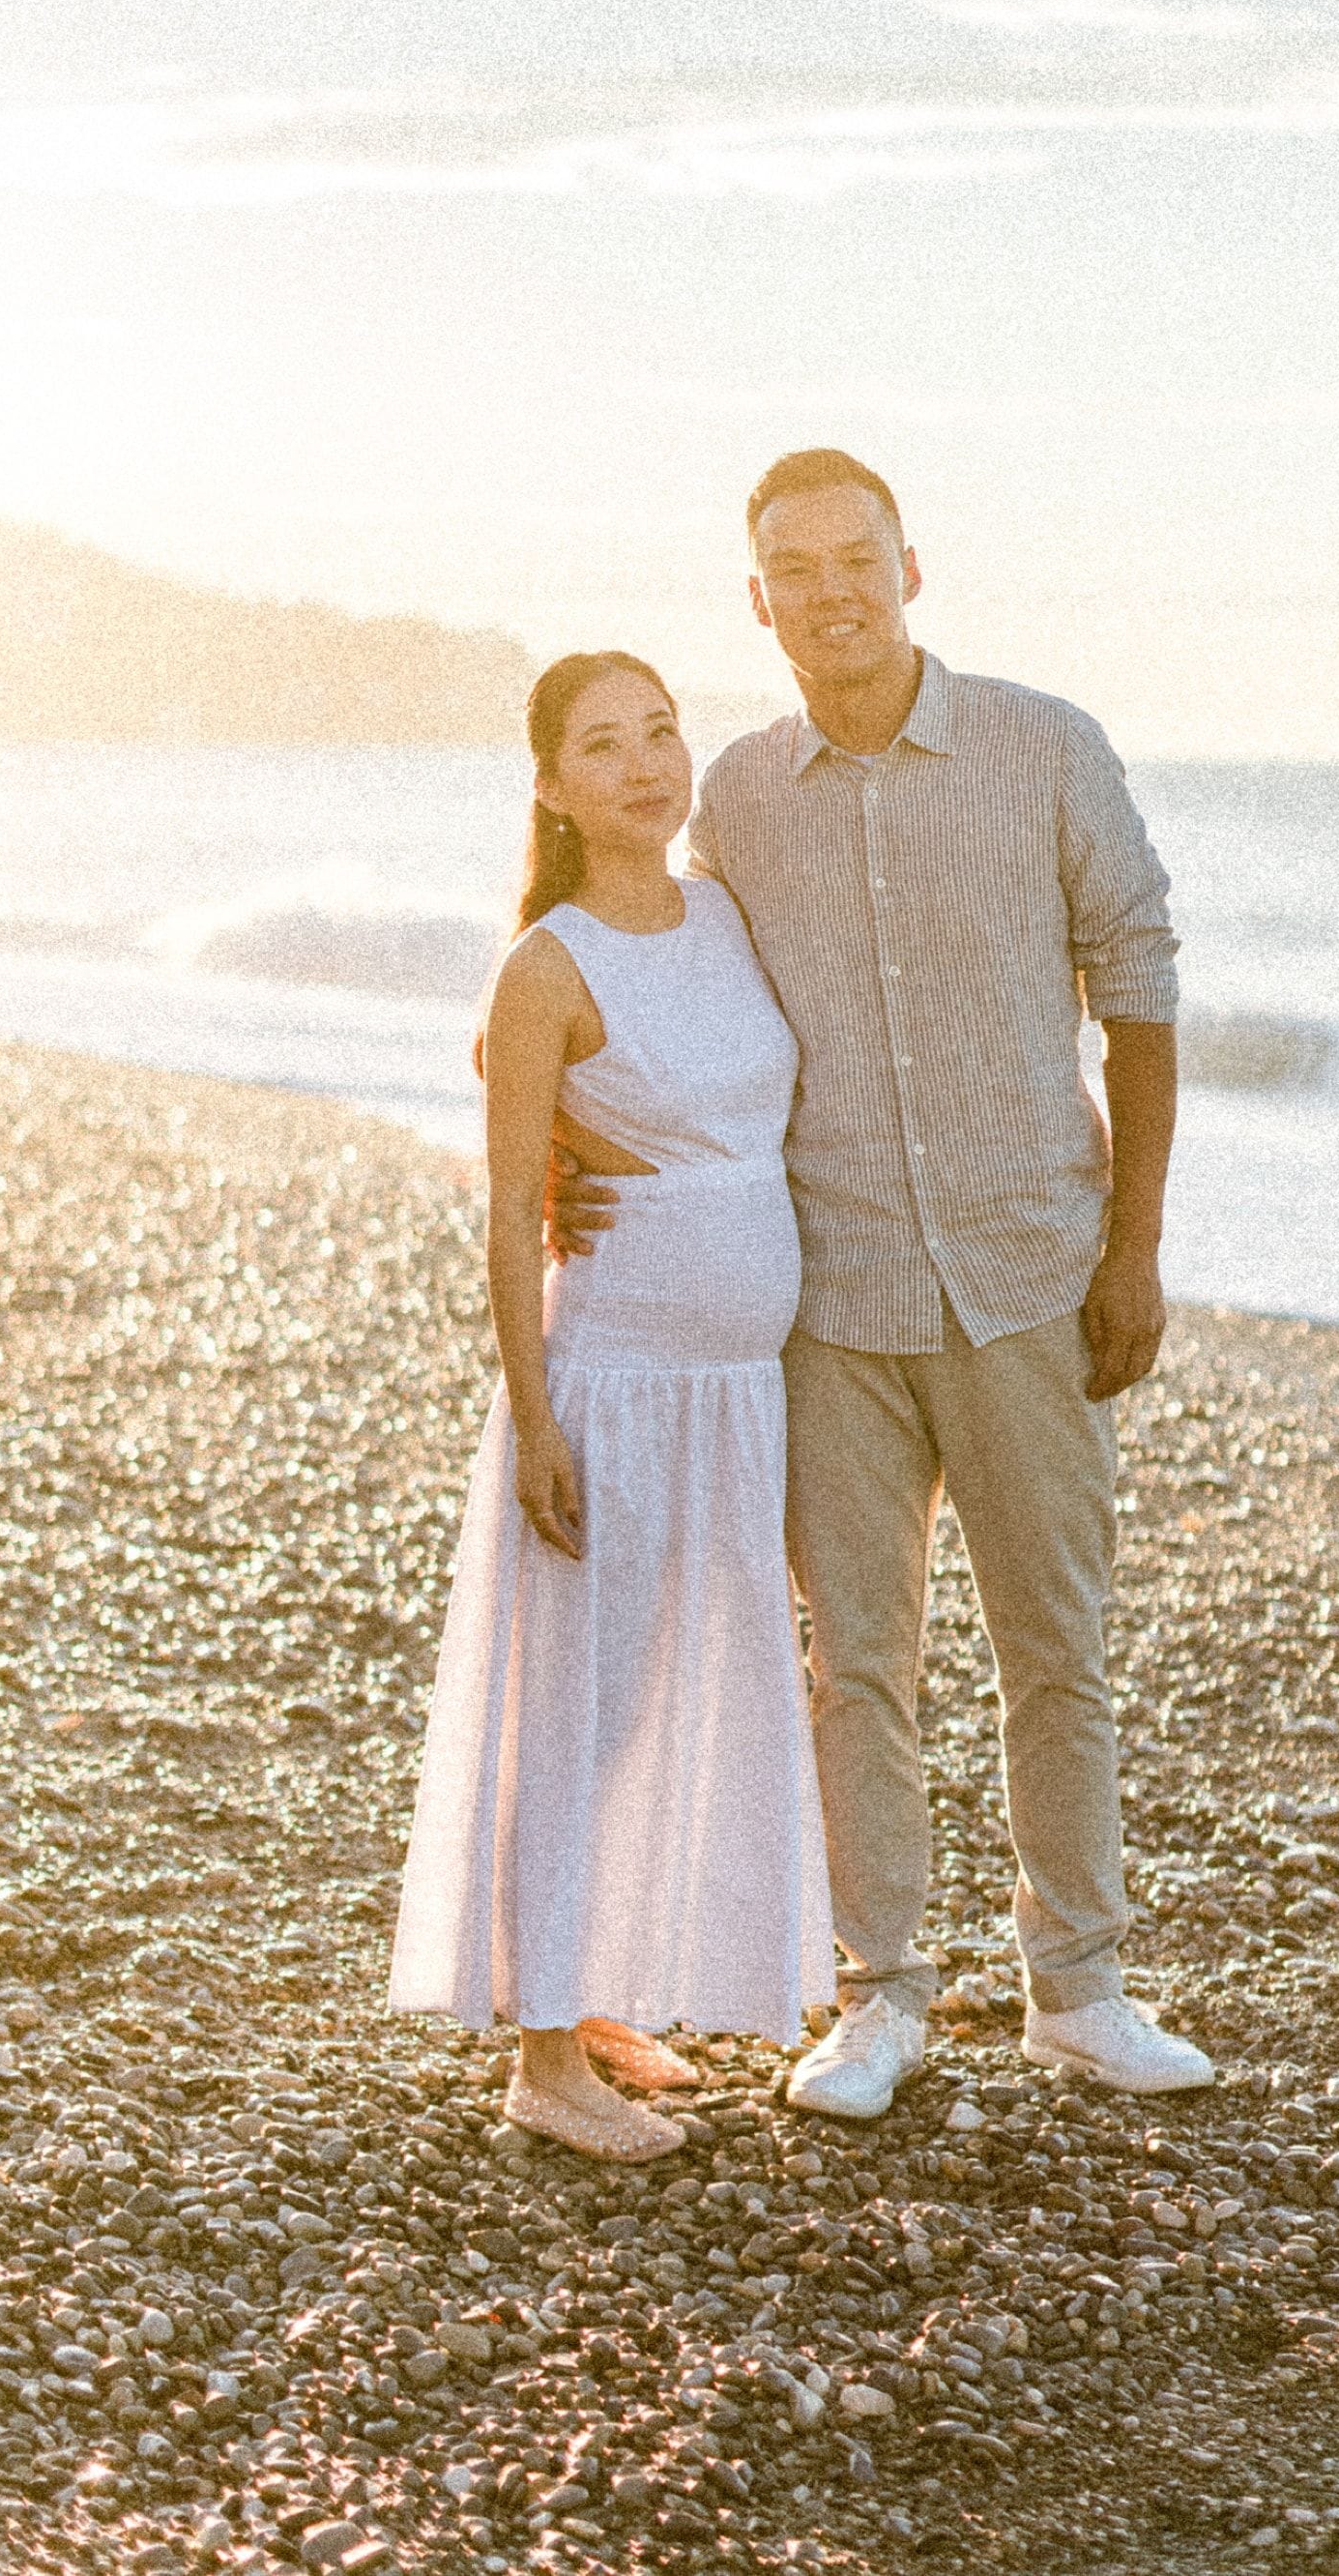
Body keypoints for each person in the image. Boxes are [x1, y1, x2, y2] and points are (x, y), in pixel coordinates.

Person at [557, 451, 1212, 2113]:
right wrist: (561, 1132)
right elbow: (628, 956)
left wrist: (1133, 1246)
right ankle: (885, 1995)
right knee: (858, 1656)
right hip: (829, 1296)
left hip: (1027, 1274)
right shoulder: (740, 799)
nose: (832, 587)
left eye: (861, 556)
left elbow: (1139, 983)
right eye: (796, 565)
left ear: (913, 569)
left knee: (1054, 1642)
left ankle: (1081, 1984)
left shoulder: (1045, 748)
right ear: (757, 601)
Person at [389, 651, 834, 2160]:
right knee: (576, 1708)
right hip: (619, 1387)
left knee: (648, 1698)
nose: (646, 763)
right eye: (604, 743)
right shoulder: (545, 966)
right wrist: (537, 1415)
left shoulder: (719, 907)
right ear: (551, 784)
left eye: (662, 730)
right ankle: (537, 2063)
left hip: (737, 1390)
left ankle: (584, 1996)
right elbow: (515, 1206)